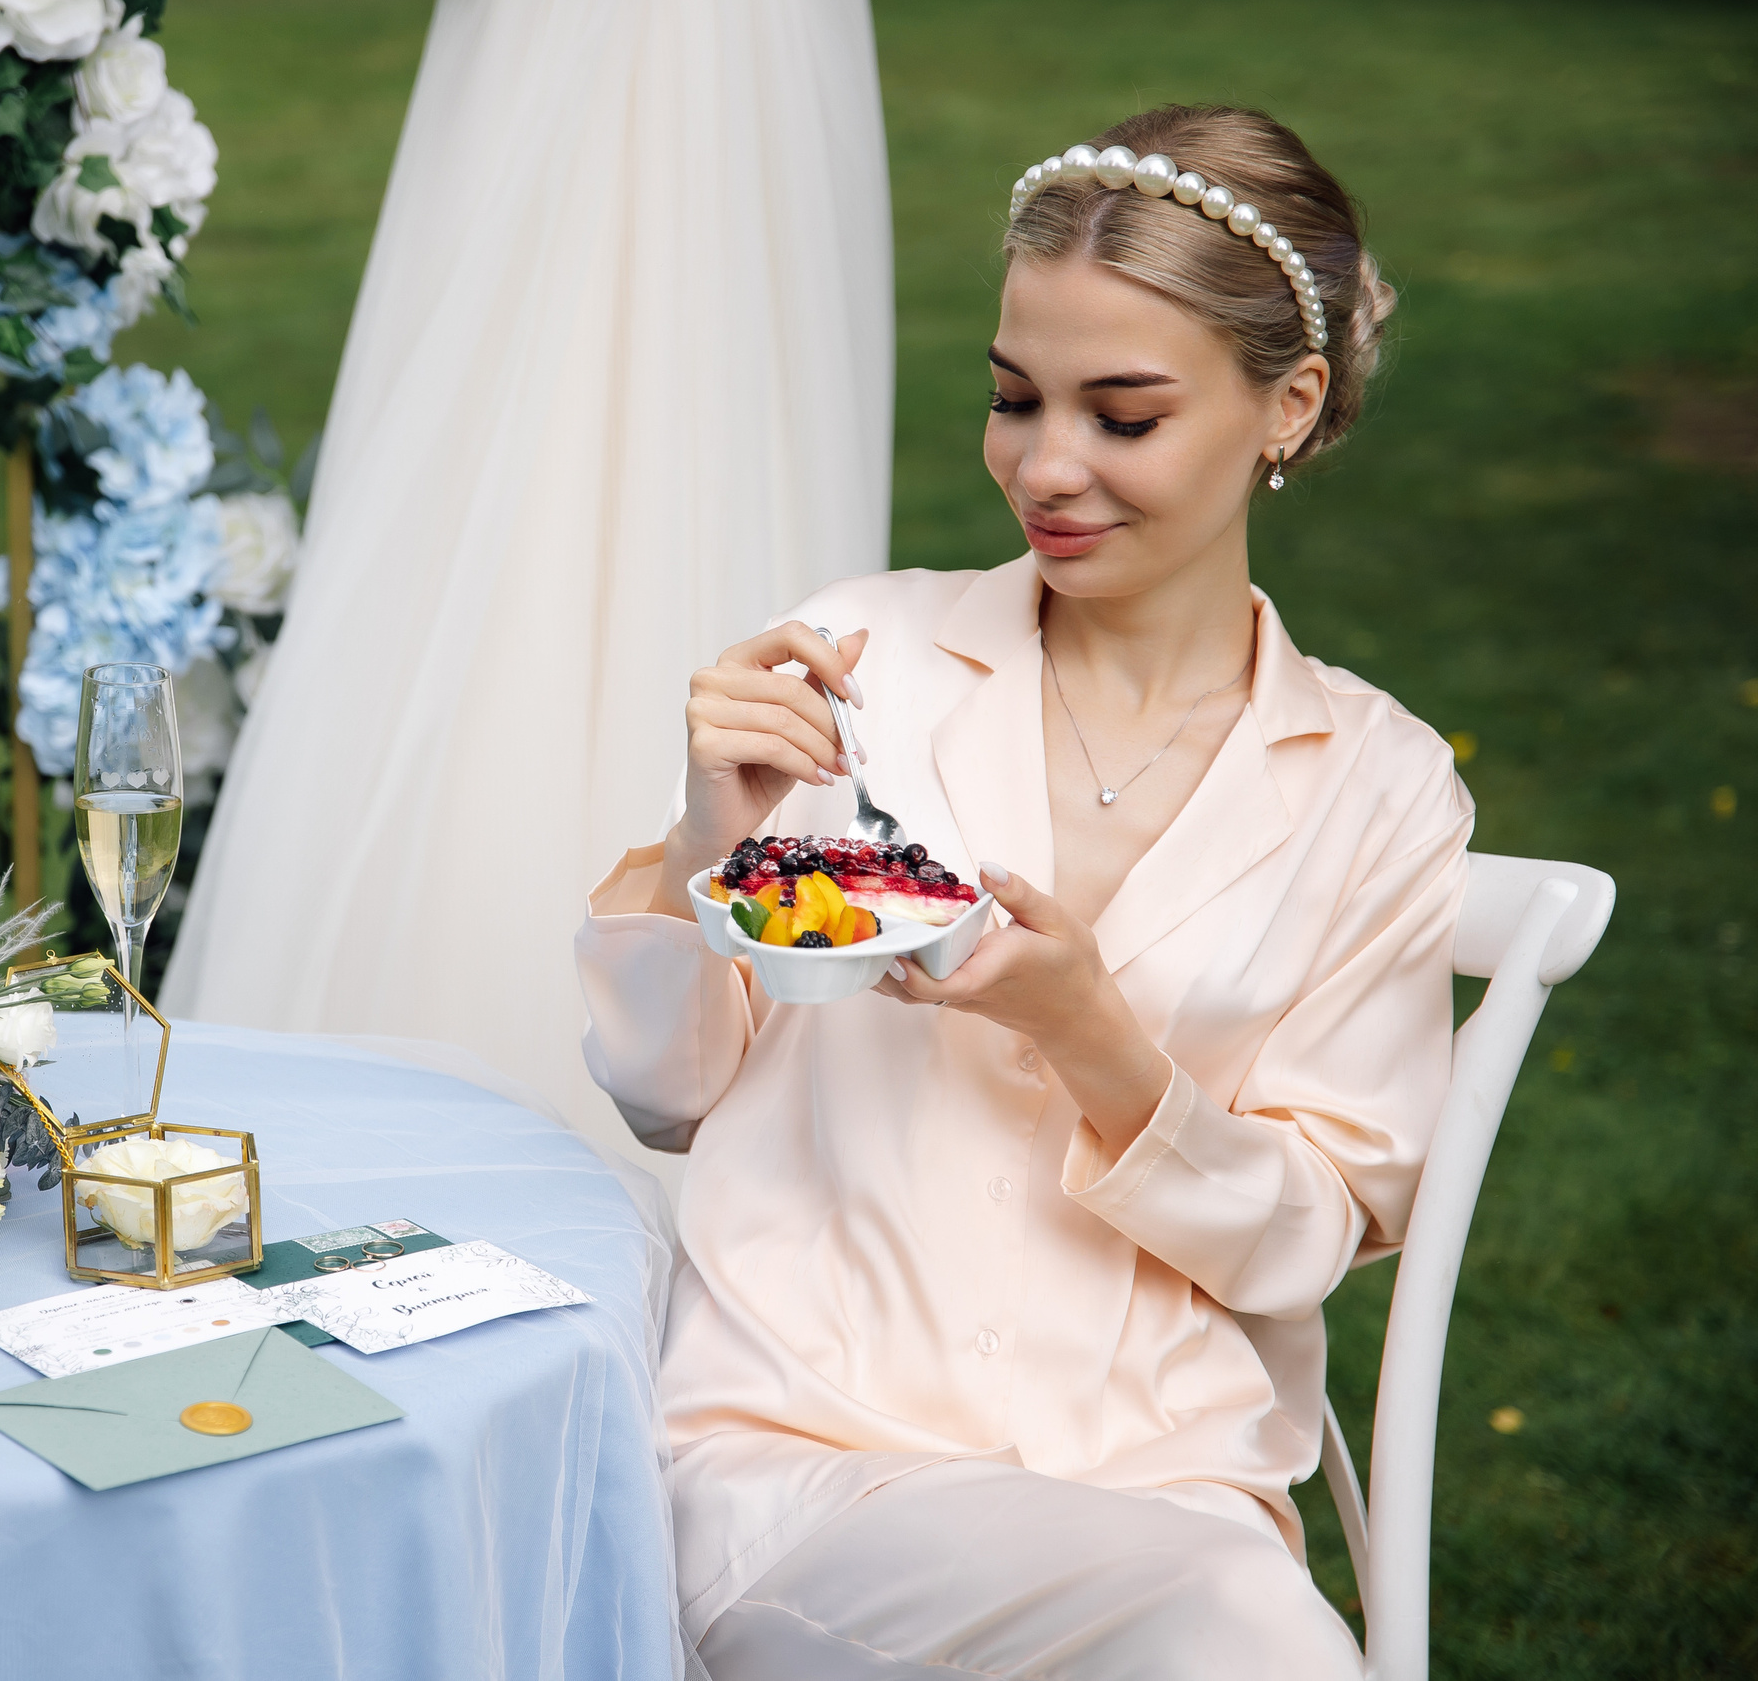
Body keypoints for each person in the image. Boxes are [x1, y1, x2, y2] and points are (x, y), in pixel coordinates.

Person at [577, 105, 1465, 1678]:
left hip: (1163, 1487)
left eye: (1122, 415)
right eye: (1013, 399)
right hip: (809, 1462)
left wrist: (1094, 1037)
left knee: (1222, 1620)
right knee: (1246, 1645)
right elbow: (663, 1092)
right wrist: (705, 844)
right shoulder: (864, 671)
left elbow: (1304, 1241)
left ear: (1290, 404)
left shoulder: (1378, 787)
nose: (1045, 467)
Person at [160, 0, 893, 1183]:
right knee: (508, 448)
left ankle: (689, 1001)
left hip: (719, 30)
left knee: (681, 412)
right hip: (587, 34)